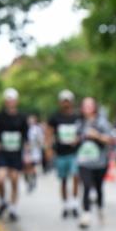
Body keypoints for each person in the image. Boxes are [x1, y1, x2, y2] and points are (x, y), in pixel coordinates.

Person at [0, 88, 28, 221]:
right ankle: (3, 201)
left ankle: (13, 209)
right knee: (0, 178)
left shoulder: (22, 117)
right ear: (5, 101)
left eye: (12, 99)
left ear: (16, 101)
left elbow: (26, 138)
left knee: (14, 179)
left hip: (16, 153)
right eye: (8, 99)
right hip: (2, 153)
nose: (10, 102)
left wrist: (27, 154)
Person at [75, 96, 115, 230]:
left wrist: (97, 135)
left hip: (100, 161)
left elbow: (110, 139)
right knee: (86, 186)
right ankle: (86, 214)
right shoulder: (79, 123)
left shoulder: (102, 122)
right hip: (84, 161)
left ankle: (100, 209)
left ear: (94, 107)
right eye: (84, 105)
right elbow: (75, 139)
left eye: (89, 105)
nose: (87, 108)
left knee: (98, 187)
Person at [47, 90, 82, 218]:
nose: (66, 103)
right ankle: (65, 204)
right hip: (60, 153)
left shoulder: (77, 117)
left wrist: (77, 140)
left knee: (75, 176)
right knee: (63, 180)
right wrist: (48, 149)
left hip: (74, 153)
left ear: (71, 102)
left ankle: (74, 203)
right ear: (60, 102)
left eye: (68, 101)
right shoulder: (55, 117)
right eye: (63, 101)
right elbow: (49, 133)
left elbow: (82, 132)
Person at [23, 114, 44, 193]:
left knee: (32, 166)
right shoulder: (24, 128)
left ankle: (33, 181)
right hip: (26, 151)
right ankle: (28, 180)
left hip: (35, 151)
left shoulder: (37, 129)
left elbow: (41, 140)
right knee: (26, 167)